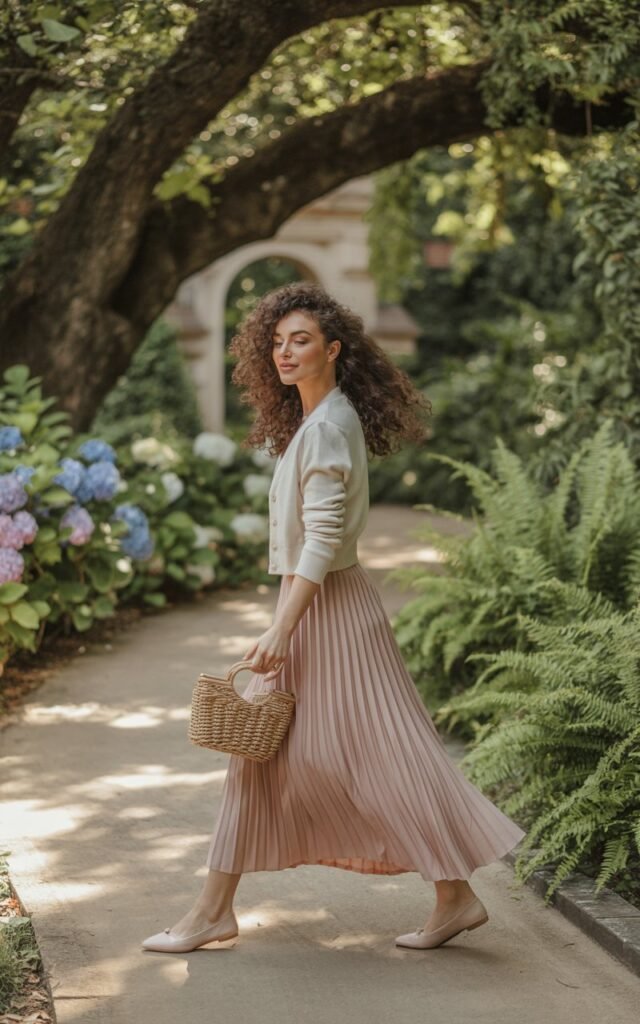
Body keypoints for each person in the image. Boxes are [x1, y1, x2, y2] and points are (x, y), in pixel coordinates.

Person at [142, 282, 526, 955]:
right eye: (279, 341)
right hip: (317, 605)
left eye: (302, 341)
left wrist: (281, 628)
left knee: (384, 759)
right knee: (259, 759)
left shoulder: (326, 427)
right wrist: (286, 621)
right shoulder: (322, 420)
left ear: (334, 349)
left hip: (328, 613)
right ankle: (214, 910)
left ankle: (455, 895)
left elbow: (321, 539)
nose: (286, 352)